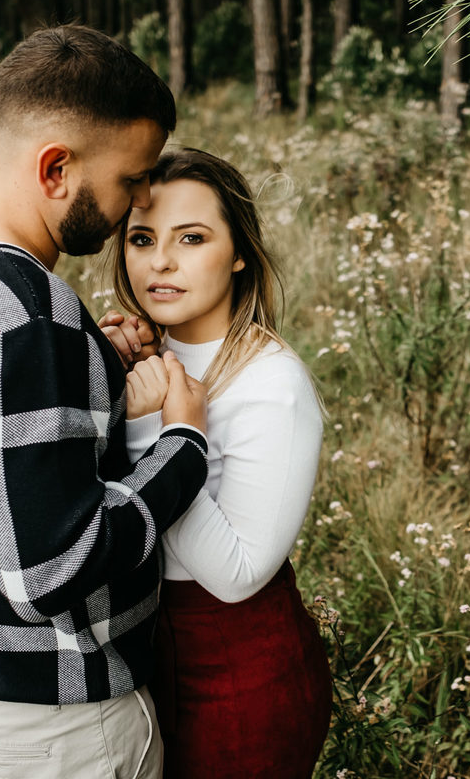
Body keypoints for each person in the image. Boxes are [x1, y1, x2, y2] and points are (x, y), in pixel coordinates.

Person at [0, 25, 209, 779]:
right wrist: (181, 446)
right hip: (58, 720)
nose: (133, 208)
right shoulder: (29, 318)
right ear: (56, 167)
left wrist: (91, 362)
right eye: (130, 181)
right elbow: (49, 575)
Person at [109, 147, 331, 778]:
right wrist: (99, 377)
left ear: (238, 253)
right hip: (144, 658)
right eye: (143, 238)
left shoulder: (272, 384)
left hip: (242, 676)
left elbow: (236, 577)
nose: (161, 261)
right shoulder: (144, 357)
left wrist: (158, 430)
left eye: (193, 238)